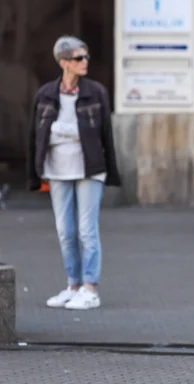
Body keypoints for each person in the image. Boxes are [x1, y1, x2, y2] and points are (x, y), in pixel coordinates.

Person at [27, 35, 121, 310]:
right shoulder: (46, 94)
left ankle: (90, 288)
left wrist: (62, 131)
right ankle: (73, 285)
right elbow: (37, 134)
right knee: (65, 231)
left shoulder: (96, 92)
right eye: (79, 58)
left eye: (86, 56)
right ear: (64, 62)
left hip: (90, 169)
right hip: (57, 169)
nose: (85, 62)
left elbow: (99, 134)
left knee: (86, 230)